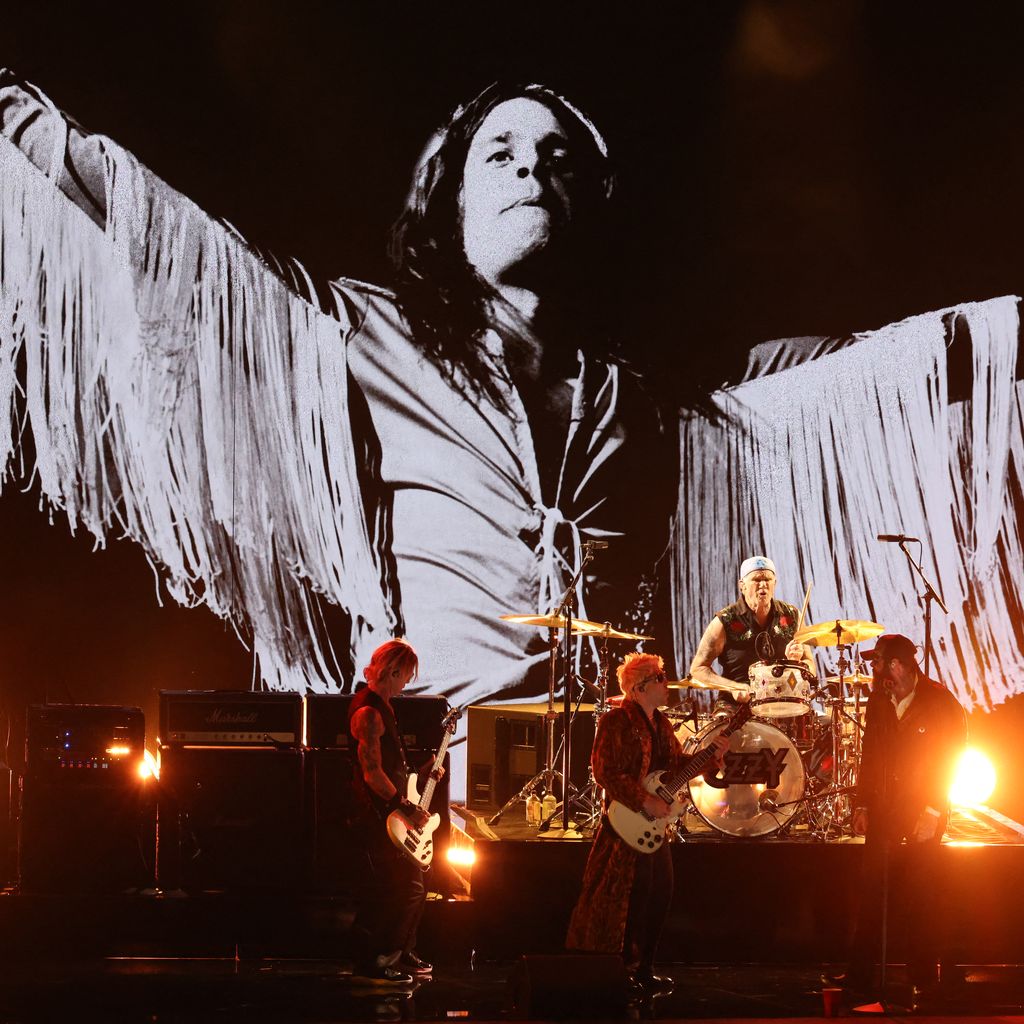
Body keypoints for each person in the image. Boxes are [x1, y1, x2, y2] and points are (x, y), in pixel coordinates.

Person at [0, 75, 680, 798]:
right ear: (455, 203)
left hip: (602, 785)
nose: (530, 170)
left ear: (594, 199)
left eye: (557, 157)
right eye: (501, 154)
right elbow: (188, 253)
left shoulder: (640, 404)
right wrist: (18, 118)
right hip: (436, 780)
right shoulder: (370, 335)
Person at [566, 651, 728, 994]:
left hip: (652, 826)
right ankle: (622, 967)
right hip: (625, 824)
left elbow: (676, 765)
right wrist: (644, 800)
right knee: (629, 898)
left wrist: (710, 757)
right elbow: (604, 771)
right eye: (660, 678)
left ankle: (644, 968)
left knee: (660, 892)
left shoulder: (662, 724)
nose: (666, 683)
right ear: (639, 688)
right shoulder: (615, 721)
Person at [840, 633, 967, 995]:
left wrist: (933, 810)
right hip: (884, 808)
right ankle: (860, 978)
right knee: (871, 894)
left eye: (877, 662)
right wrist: (863, 804)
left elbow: (951, 759)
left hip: (923, 811)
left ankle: (922, 979)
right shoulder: (878, 700)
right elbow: (870, 755)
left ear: (896, 664)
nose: (874, 668)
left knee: (920, 896)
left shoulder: (940, 701)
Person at [347, 638, 441, 985]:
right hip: (378, 816)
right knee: (397, 889)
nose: (407, 683)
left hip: (392, 813)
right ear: (394, 671)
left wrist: (422, 771)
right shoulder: (368, 712)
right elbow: (372, 772)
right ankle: (376, 961)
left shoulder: (384, 707)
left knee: (414, 883)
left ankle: (401, 952)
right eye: (407, 675)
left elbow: (389, 765)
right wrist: (404, 807)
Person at [689, 555, 815, 710]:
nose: (763, 584)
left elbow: (810, 666)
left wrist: (796, 664)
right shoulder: (725, 620)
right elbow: (698, 669)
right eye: (756, 579)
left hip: (781, 704)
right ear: (742, 585)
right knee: (723, 725)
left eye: (768, 579)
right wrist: (732, 687)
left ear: (775, 583)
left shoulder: (792, 616)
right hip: (736, 706)